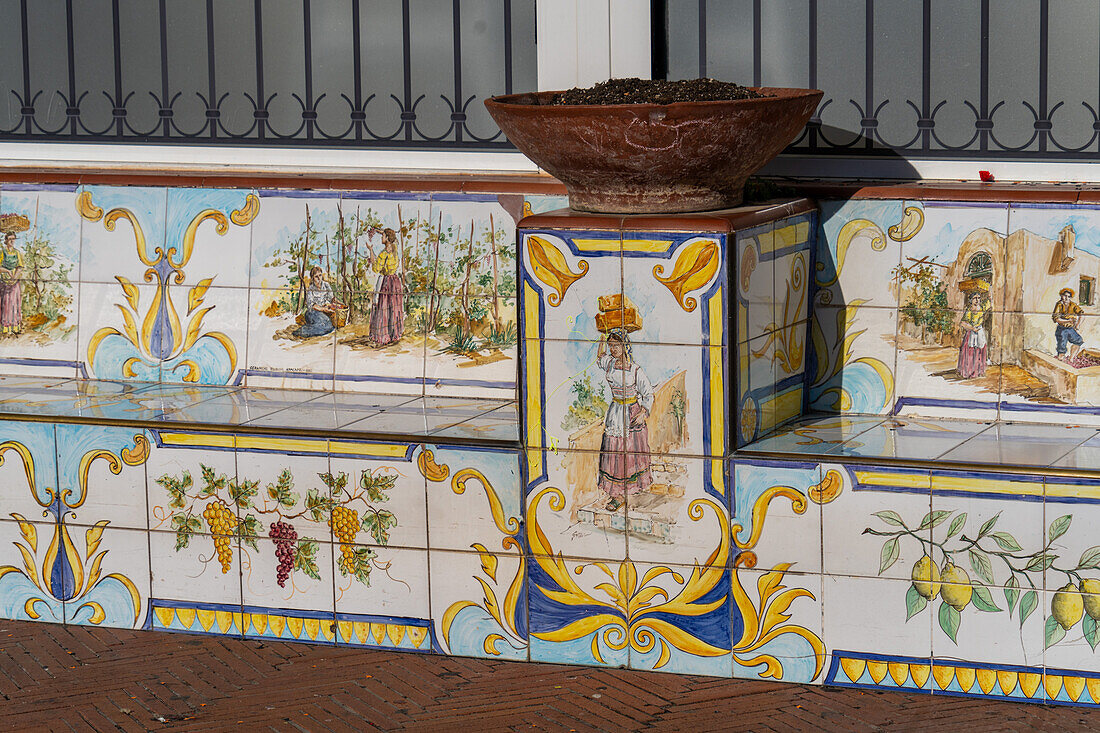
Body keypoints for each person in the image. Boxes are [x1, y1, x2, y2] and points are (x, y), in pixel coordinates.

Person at [595, 328, 654, 512]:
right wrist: (602, 337)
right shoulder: (609, 364)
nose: (612, 349)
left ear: (625, 346)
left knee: (628, 454)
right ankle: (616, 495)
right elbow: (599, 357)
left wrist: (643, 412)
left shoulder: (635, 370)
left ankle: (630, 490)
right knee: (613, 452)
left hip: (631, 414)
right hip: (615, 412)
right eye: (611, 346)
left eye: (616, 345)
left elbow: (648, 393)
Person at [368, 228, 405, 347]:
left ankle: (384, 336)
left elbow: (375, 268)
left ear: (387, 238)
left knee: (383, 307)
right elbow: (390, 237)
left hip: (386, 282)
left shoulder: (383, 254)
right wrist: (381, 231)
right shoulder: (394, 249)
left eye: (382, 236)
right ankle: (394, 334)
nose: (381, 237)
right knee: (393, 308)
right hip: (395, 281)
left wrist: (371, 250)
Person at [292, 266, 340, 338]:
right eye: (316, 276)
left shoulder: (326, 285)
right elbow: (312, 306)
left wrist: (338, 303)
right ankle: (301, 331)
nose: (319, 278)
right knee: (327, 326)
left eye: (320, 275)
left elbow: (331, 299)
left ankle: (309, 328)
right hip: (312, 313)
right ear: (312, 278)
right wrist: (323, 309)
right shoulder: (311, 288)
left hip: (323, 312)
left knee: (329, 325)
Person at [956, 290, 990, 378]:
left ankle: (978, 371)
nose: (977, 300)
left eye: (979, 298)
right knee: (970, 352)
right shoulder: (969, 310)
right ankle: (969, 371)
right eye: (975, 298)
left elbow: (990, 300)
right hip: (971, 333)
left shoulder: (982, 307)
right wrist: (972, 328)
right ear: (971, 300)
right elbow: (963, 323)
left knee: (979, 351)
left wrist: (989, 289)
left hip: (979, 332)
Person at [1053, 287, 1085, 362]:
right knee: (1062, 347)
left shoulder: (1073, 305)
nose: (1066, 298)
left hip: (1070, 329)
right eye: (1065, 296)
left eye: (1068, 296)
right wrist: (1068, 321)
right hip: (1062, 329)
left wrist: (1077, 326)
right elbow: (1057, 319)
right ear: (1061, 296)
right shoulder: (1059, 305)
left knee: (1078, 341)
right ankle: (1061, 361)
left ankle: (1071, 359)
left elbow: (1082, 314)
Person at [0, 232, 23, 336]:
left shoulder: (17, 253)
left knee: (14, 303)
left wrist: (15, 276)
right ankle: (6, 327)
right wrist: (7, 271)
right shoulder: (2, 252)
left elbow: (20, 266)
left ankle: (15, 326)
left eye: (13, 239)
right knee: (6, 303)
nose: (12, 241)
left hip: (14, 281)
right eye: (10, 239)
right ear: (6, 241)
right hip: (5, 280)